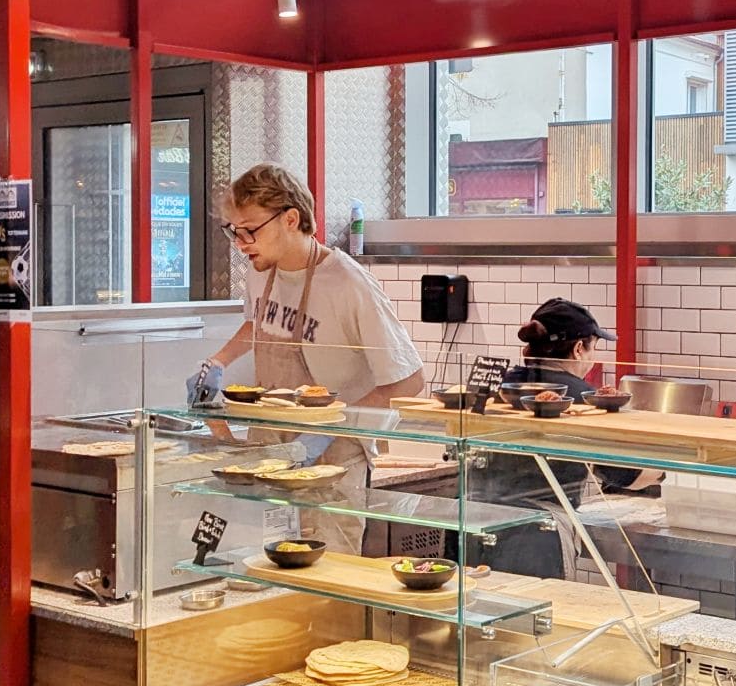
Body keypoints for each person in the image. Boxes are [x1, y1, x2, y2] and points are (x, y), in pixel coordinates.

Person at [189, 165, 424, 535]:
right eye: (233, 231)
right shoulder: (260, 270)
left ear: (290, 219)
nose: (240, 242)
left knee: (328, 577)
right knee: (269, 565)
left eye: (249, 230)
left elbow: (409, 381)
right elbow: (260, 322)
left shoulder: (348, 283)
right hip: (269, 446)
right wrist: (217, 361)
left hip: (332, 460)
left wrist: (329, 430)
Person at [465, 297, 648, 579]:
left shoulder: (499, 385)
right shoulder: (582, 399)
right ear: (578, 349)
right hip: (533, 536)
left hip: (470, 517)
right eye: (594, 348)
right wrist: (669, 474)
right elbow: (626, 474)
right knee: (532, 619)